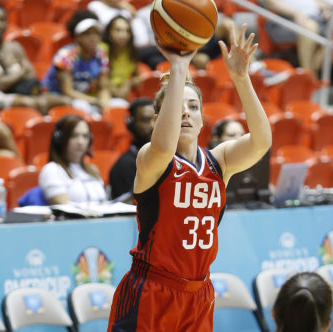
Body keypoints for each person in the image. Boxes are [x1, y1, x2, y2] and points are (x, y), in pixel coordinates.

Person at [107, 23, 272, 331]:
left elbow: (262, 141)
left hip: (198, 293)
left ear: (202, 119)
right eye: (177, 106)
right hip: (152, 289)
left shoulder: (219, 162)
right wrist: (179, 67)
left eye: (193, 106)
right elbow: (164, 143)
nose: (185, 112)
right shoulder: (151, 158)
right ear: (158, 120)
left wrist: (240, 77)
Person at [0, 1, 69, 114]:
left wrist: (10, 78)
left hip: (22, 93)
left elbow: (32, 74)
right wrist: (21, 71)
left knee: (65, 101)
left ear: (7, 23)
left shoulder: (15, 47)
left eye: (2, 20)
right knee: (29, 104)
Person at [42, 11, 111, 117]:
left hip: (84, 97)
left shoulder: (101, 55)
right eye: (87, 34)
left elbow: (104, 86)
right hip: (57, 96)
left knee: (118, 105)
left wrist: (105, 101)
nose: (93, 38)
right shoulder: (66, 56)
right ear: (78, 37)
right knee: (83, 107)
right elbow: (67, 91)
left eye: (96, 33)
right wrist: (96, 101)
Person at [39, 114, 107, 205]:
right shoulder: (52, 170)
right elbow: (64, 209)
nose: (80, 142)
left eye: (85, 136)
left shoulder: (93, 170)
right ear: (60, 139)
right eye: (74, 136)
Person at [262, 0, 333, 75]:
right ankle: (308, 74)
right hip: (286, 19)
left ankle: (310, 72)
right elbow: (270, 2)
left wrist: (325, 8)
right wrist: (295, 13)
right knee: (310, 27)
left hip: (317, 18)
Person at [108, 97, 154, 201]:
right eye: (146, 120)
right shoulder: (124, 166)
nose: (152, 125)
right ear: (130, 125)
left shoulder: (171, 158)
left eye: (156, 119)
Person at [101, 15, 141, 101]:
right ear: (109, 33)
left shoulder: (130, 51)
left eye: (127, 31)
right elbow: (99, 79)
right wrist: (119, 93)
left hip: (122, 96)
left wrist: (128, 82)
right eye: (118, 30)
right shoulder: (101, 49)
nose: (124, 35)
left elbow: (138, 77)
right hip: (102, 95)